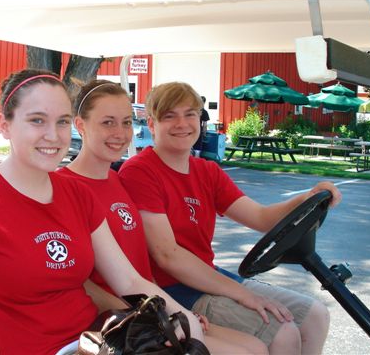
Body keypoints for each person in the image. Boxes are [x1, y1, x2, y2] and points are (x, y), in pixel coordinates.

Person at [0, 70, 205, 355]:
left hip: (99, 342)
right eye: (36, 121)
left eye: (60, 122)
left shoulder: (77, 194)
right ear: (5, 125)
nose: (53, 136)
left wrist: (182, 319)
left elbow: (129, 280)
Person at [118, 81, 343, 355]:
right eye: (169, 116)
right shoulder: (140, 172)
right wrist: (244, 295)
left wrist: (305, 198)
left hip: (207, 276)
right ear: (151, 124)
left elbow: (260, 217)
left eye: (190, 114)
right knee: (283, 333)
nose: (182, 123)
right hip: (171, 289)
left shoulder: (206, 172)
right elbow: (168, 256)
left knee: (315, 315)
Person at [57, 79, 268, 354]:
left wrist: (173, 308)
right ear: (80, 125)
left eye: (126, 122)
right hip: (117, 323)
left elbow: (140, 267)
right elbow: (78, 282)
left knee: (257, 347)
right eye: (107, 122)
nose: (120, 133)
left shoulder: (118, 181)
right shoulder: (65, 188)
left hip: (149, 307)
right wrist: (149, 314)